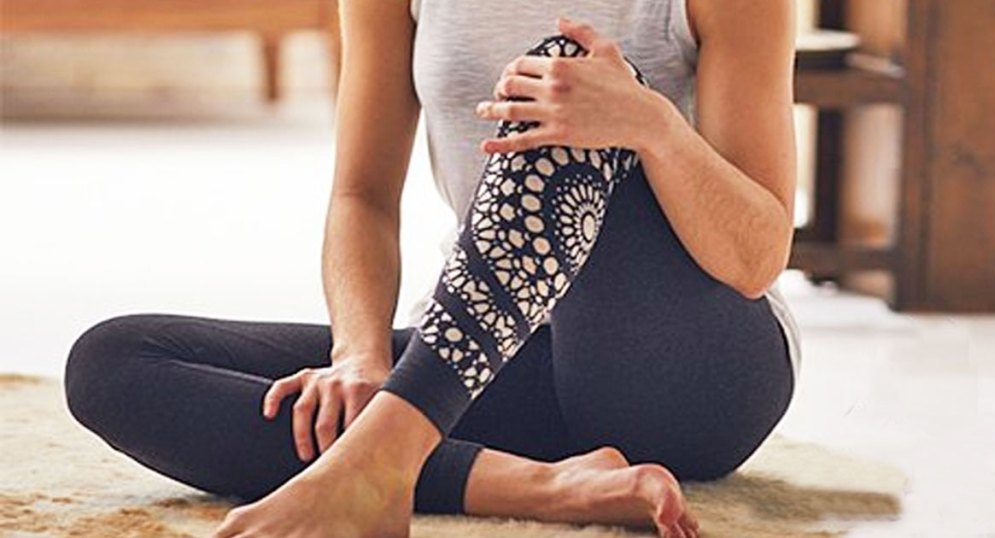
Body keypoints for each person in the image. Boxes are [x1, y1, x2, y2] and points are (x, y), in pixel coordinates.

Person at [64, 1, 802, 537]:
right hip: (490, 355)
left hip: (689, 371)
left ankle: (379, 459)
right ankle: (543, 485)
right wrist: (359, 355)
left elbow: (755, 257)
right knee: (117, 361)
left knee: (563, 74)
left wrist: (652, 126)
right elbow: (362, 197)